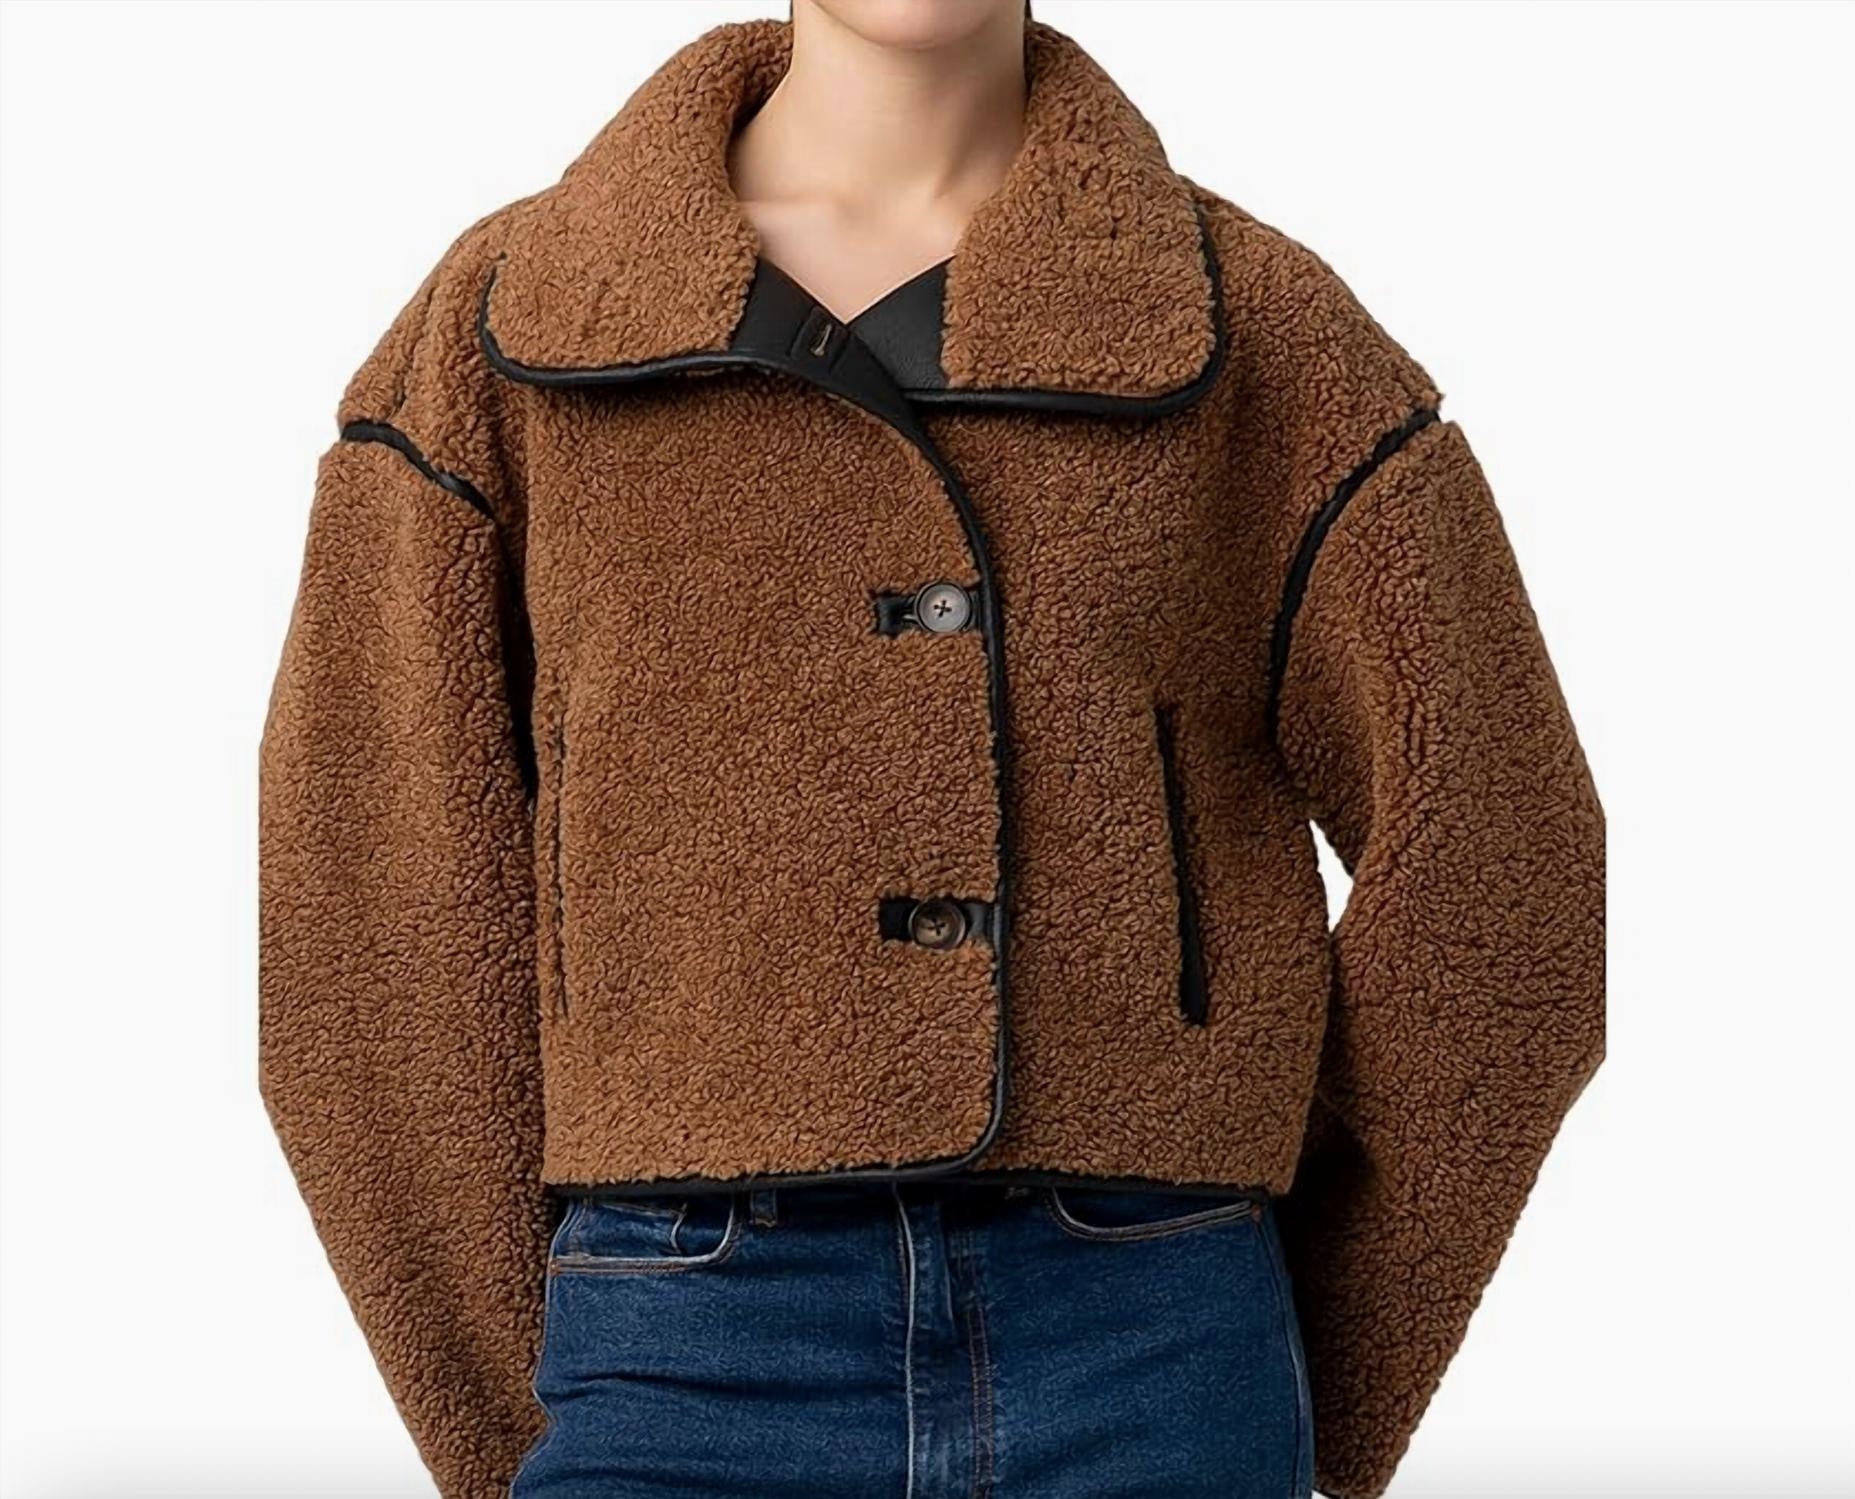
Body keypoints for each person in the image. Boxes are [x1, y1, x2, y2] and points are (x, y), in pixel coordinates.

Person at [257, 3, 1605, 1496]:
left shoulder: (1262, 336)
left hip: (1154, 1344)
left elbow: (1509, 876)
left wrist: (1303, 1336)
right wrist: (530, 1418)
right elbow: (367, 940)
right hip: (675, 1355)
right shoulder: (507, 335)